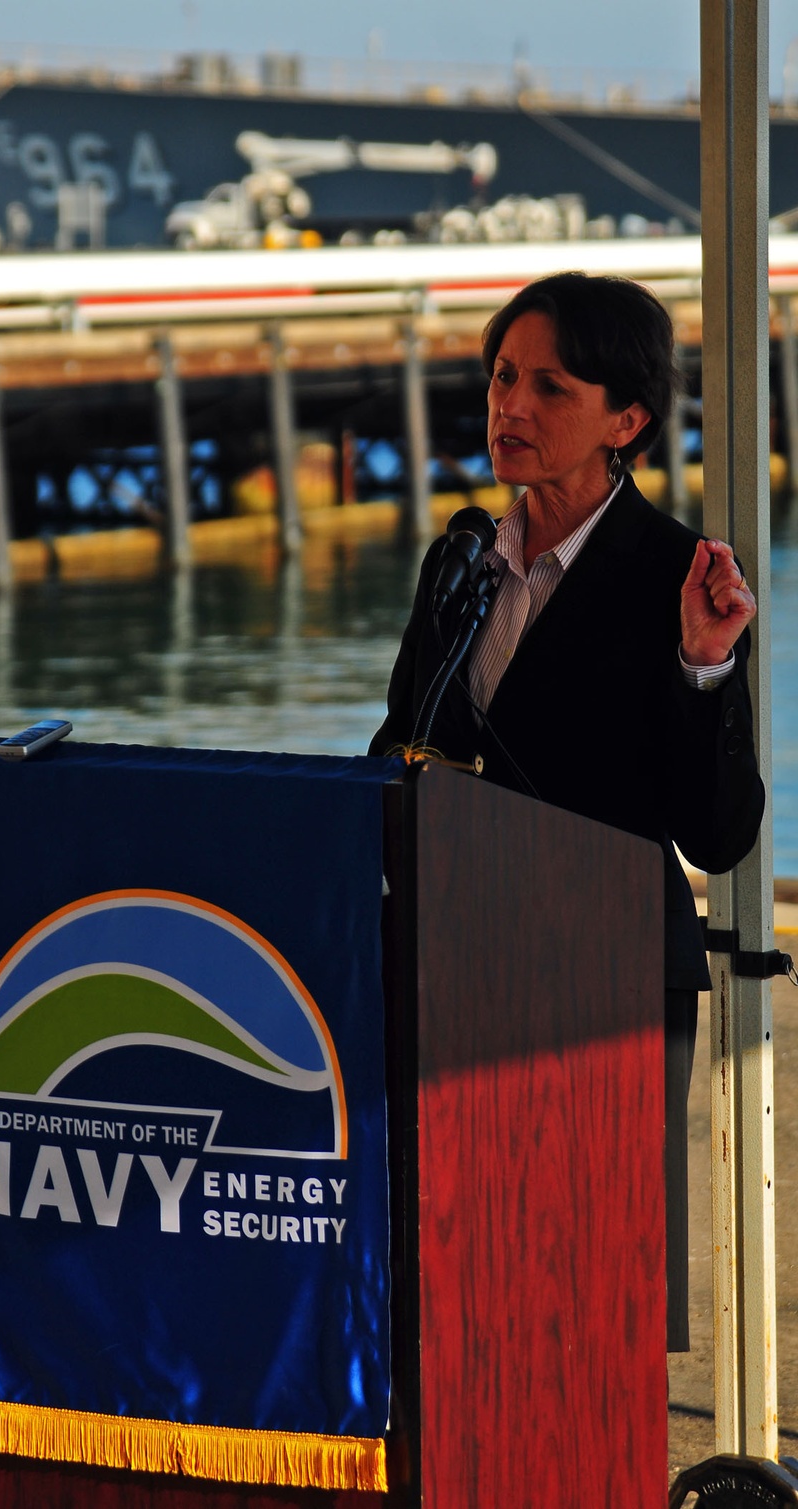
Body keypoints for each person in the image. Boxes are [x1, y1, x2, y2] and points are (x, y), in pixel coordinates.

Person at [370, 271, 765, 1351]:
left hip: (606, 977)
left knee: (591, 1297)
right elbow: (398, 748)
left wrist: (700, 669)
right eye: (502, 377)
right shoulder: (458, 562)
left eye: (550, 386)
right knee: (456, 1285)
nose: (511, 407)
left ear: (625, 420)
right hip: (455, 958)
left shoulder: (682, 578)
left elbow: (719, 832)